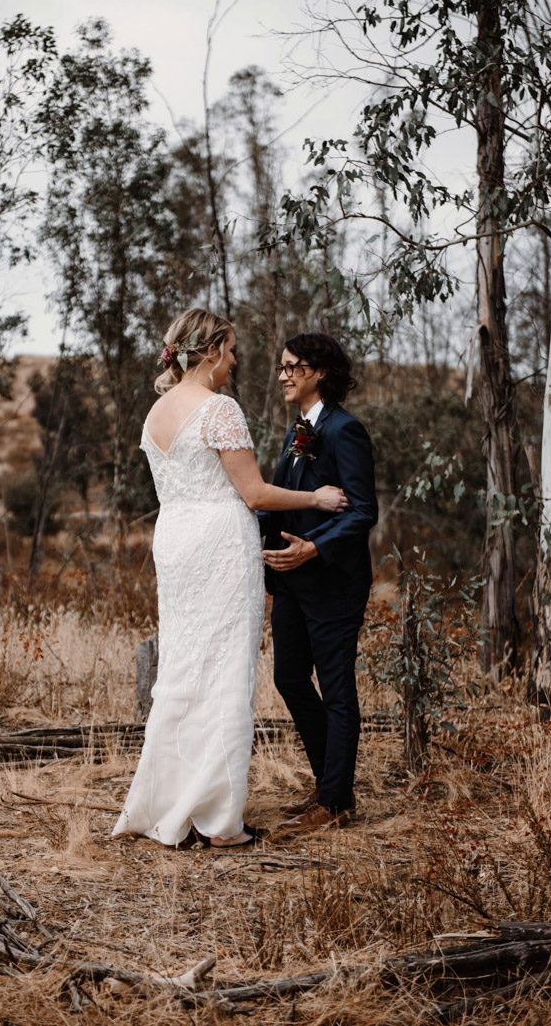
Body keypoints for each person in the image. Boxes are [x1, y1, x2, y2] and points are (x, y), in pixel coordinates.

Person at [112, 309, 348, 849]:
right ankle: (219, 822)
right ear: (212, 350)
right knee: (223, 672)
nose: (237, 361)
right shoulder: (218, 409)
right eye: (233, 350)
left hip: (174, 538)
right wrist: (318, 496)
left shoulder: (156, 413)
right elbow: (255, 494)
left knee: (181, 669)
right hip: (218, 541)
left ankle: (166, 804)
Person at [260, 333, 377, 837]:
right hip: (291, 582)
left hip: (332, 582)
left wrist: (314, 547)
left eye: (293, 366)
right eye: (282, 366)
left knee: (336, 690)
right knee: (288, 677)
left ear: (320, 372)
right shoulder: (298, 431)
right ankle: (332, 783)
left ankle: (334, 801)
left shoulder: (344, 430)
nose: (283, 374)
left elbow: (364, 512)